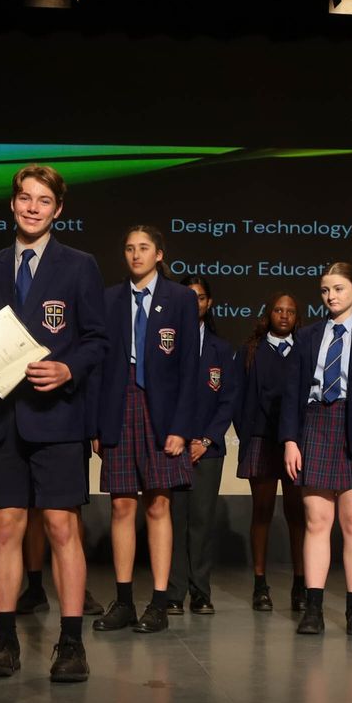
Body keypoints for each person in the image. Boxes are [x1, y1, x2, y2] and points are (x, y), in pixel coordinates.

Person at [0, 164, 106, 683]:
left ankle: (71, 643)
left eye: (43, 200)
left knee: (62, 526)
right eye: (25, 197)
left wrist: (68, 368)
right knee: (5, 527)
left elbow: (97, 340)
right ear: (12, 203)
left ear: (58, 210)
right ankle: (4, 640)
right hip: (2, 417)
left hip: (58, 418)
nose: (32, 207)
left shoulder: (80, 266)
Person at [93, 226, 199, 635]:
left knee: (158, 504)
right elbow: (99, 366)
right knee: (122, 505)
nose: (135, 255)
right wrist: (97, 425)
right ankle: (123, 602)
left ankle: (158, 602)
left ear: (159, 254)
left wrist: (182, 427)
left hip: (162, 411)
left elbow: (190, 366)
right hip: (119, 405)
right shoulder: (109, 298)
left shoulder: (181, 298)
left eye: (143, 248)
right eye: (129, 248)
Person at [281, 262, 352, 636]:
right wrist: (291, 440)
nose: (331, 296)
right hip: (315, 424)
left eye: (339, 289)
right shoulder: (307, 336)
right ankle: (313, 608)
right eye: (326, 290)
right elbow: (291, 392)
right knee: (316, 521)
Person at [167, 276, 237, 616]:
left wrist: (206, 440)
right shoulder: (166, 343)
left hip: (208, 449)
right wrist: (180, 436)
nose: (194, 302)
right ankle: (173, 592)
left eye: (200, 297)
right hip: (173, 445)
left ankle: (200, 592)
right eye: (188, 296)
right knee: (174, 522)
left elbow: (228, 401)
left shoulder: (221, 349)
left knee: (201, 522)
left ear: (209, 303)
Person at [234, 292, 306, 612]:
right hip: (261, 438)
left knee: (297, 514)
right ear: (269, 314)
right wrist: (247, 434)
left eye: (290, 311)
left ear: (297, 317)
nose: (284, 315)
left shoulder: (305, 349)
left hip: (295, 443)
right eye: (278, 310)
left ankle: (300, 584)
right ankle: (260, 584)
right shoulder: (251, 350)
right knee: (262, 511)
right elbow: (238, 398)